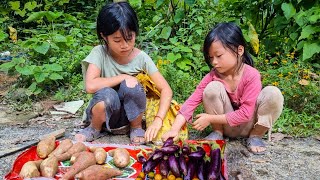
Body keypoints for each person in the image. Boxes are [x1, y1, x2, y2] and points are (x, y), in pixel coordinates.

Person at [162, 22, 284, 154]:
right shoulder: (213, 76)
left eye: (219, 56)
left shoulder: (251, 75)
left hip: (250, 126)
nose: (214, 62)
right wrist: (174, 129)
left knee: (273, 93)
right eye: (211, 57)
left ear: (239, 50)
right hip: (227, 127)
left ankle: (256, 136)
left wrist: (209, 118)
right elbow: (191, 102)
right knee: (212, 88)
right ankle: (217, 132)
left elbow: (245, 114)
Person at [75, 1, 172, 145]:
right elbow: (90, 85)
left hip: (128, 119)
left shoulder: (141, 58)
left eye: (130, 37)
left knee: (132, 87)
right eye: (117, 40)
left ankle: (136, 128)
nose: (125, 45)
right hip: (102, 115)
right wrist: (124, 77)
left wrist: (158, 120)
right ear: (104, 36)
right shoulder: (99, 53)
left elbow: (166, 90)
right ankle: (93, 128)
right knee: (107, 95)